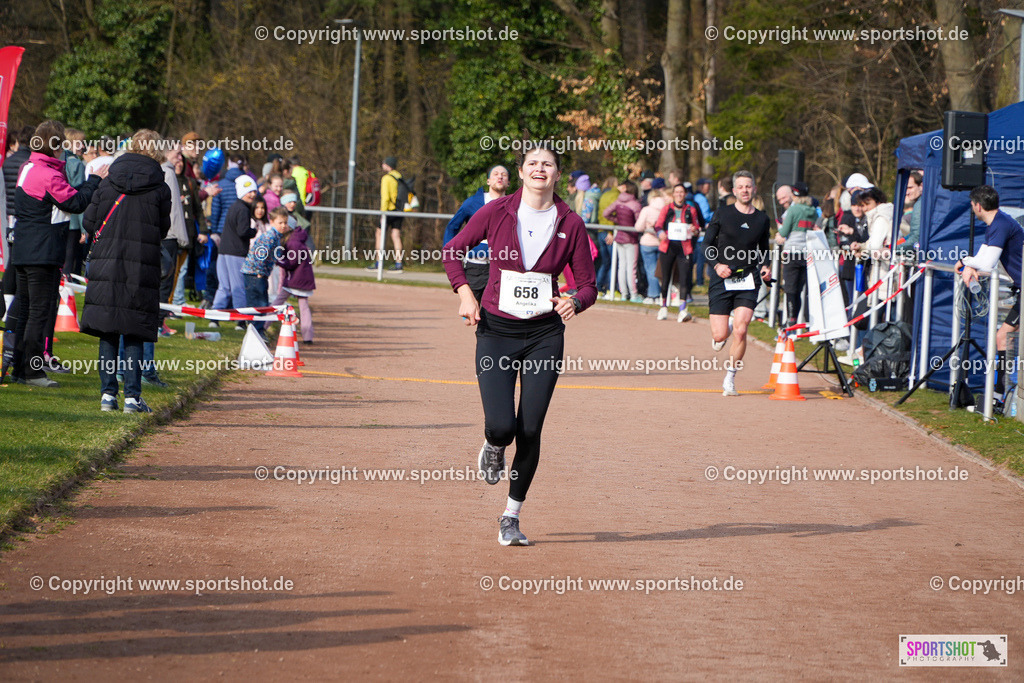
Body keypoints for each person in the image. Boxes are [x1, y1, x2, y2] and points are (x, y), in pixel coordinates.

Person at [442, 142, 597, 547]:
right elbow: (452, 251)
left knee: (530, 428)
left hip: (545, 335)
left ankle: (511, 516)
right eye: (533, 163)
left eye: (548, 164)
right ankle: (493, 444)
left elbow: (588, 284)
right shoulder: (495, 212)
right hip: (496, 331)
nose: (540, 169)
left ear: (558, 174)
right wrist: (465, 294)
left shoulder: (572, 223)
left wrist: (575, 301)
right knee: (502, 426)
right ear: (522, 171)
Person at [80, 129, 170, 412]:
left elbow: (89, 221)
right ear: (156, 150)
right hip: (141, 263)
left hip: (106, 260)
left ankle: (108, 395)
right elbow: (162, 228)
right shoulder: (160, 187)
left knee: (107, 329)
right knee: (134, 330)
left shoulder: (108, 182)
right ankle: (132, 397)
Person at [10, 121, 105, 387]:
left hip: (25, 249)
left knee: (27, 311)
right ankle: (33, 371)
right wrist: (95, 179)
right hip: (43, 252)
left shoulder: (27, 167)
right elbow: (75, 202)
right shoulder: (47, 174)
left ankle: (19, 368)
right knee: (40, 313)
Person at [703, 170, 772, 396]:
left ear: (753, 189)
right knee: (720, 335)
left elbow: (764, 249)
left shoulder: (762, 219)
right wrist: (716, 265)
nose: (745, 190)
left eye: (748, 186)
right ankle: (725, 330)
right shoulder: (722, 213)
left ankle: (730, 379)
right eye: (740, 187)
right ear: (734, 191)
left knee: (742, 330)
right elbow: (707, 245)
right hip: (722, 278)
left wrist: (765, 266)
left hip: (748, 279)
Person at [956, 185, 1024, 404]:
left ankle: (999, 398)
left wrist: (965, 262)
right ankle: (998, 397)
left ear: (978, 206)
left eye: (972, 205)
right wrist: (970, 265)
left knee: (1002, 337)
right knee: (1003, 337)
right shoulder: (997, 223)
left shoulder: (1001, 224)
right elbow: (983, 256)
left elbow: (986, 262)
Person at [442, 165, 510, 301]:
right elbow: (452, 227)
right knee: (472, 313)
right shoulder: (473, 202)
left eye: (504, 174)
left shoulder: (513, 204)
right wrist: (451, 255)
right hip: (475, 267)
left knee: (496, 314)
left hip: (502, 269)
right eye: (495, 174)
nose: (500, 176)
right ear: (488, 181)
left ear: (508, 183)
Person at [242, 206, 291, 340]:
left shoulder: (277, 237)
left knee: (262, 301)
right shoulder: (269, 236)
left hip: (261, 273)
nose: (283, 225)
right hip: (254, 273)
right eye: (280, 222)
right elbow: (260, 254)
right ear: (273, 222)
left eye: (285, 223)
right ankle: (256, 331)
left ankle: (258, 330)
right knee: (258, 303)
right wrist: (258, 272)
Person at [212, 175, 259, 312]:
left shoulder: (234, 206)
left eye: (254, 191)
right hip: (236, 252)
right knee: (238, 286)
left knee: (224, 286)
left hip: (223, 251)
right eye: (249, 191)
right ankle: (241, 318)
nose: (252, 194)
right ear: (242, 192)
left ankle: (215, 314)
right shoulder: (243, 209)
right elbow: (243, 231)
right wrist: (253, 231)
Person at [654, 184, 701, 322]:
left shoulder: (691, 210)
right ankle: (663, 307)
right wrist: (661, 233)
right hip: (667, 247)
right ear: (673, 194)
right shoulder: (666, 209)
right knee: (666, 278)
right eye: (677, 192)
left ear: (685, 194)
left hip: (685, 248)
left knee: (684, 279)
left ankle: (682, 309)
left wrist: (694, 230)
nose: (679, 195)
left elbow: (697, 228)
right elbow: (658, 225)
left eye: (682, 192)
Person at [775, 182, 816, 328]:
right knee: (799, 289)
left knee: (790, 289)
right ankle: (795, 320)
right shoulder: (812, 210)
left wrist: (779, 233)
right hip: (806, 253)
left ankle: (790, 321)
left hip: (792, 252)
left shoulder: (794, 210)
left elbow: (784, 232)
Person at [274, 215, 316, 343]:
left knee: (276, 304)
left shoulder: (293, 242)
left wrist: (278, 261)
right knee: (304, 307)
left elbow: (291, 262)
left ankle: (262, 327)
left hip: (295, 280)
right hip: (303, 279)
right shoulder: (298, 238)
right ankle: (308, 337)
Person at [604, 180, 643, 302]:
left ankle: (624, 293)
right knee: (631, 267)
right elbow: (639, 222)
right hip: (631, 238)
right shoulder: (635, 204)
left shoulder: (618, 201)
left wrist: (618, 221)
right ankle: (634, 294)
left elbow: (606, 213)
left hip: (620, 236)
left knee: (622, 266)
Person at [370, 156, 405, 272]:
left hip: (389, 210)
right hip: (399, 210)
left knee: (379, 234)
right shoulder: (399, 176)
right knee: (396, 235)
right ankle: (398, 264)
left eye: (384, 163)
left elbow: (385, 197)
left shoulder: (386, 178)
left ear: (388, 165)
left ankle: (378, 262)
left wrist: (382, 212)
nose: (382, 165)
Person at [635, 183, 668, 303]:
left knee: (651, 270)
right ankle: (661, 294)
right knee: (660, 270)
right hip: (661, 243)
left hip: (647, 242)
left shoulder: (646, 210)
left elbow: (638, 227)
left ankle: (653, 294)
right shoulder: (665, 209)